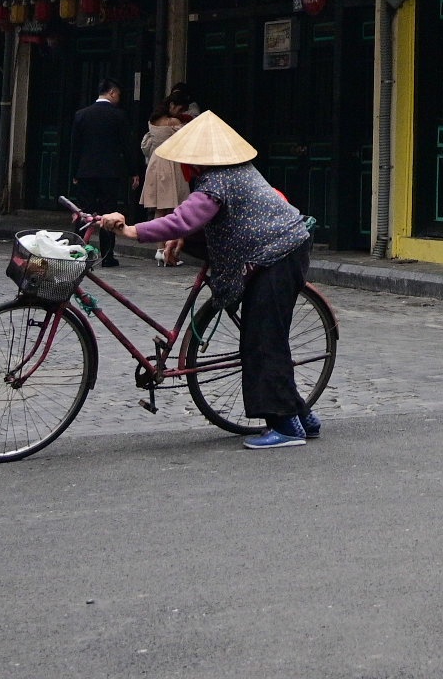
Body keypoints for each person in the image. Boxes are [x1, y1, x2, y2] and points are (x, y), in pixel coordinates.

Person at [93, 111, 317, 448]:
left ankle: (286, 427)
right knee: (263, 335)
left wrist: (131, 230)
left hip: (279, 251)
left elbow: (183, 219)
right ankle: (303, 416)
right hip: (265, 247)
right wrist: (184, 237)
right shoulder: (227, 174)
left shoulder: (217, 182)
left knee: (263, 338)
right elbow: (198, 220)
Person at [71, 81, 140, 267]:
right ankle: (107, 255)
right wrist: (133, 171)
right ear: (111, 92)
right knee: (109, 213)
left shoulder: (81, 115)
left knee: (84, 213)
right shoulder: (118, 116)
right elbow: (127, 146)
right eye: (117, 95)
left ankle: (78, 252)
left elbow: (75, 147)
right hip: (110, 173)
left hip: (85, 171)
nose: (118, 99)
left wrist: (75, 172)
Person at [138, 94, 195, 267]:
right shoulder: (172, 123)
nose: (181, 112)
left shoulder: (153, 121)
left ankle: (159, 250)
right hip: (171, 163)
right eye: (179, 108)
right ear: (172, 105)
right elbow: (189, 134)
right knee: (175, 208)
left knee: (159, 208)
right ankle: (171, 251)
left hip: (156, 163)